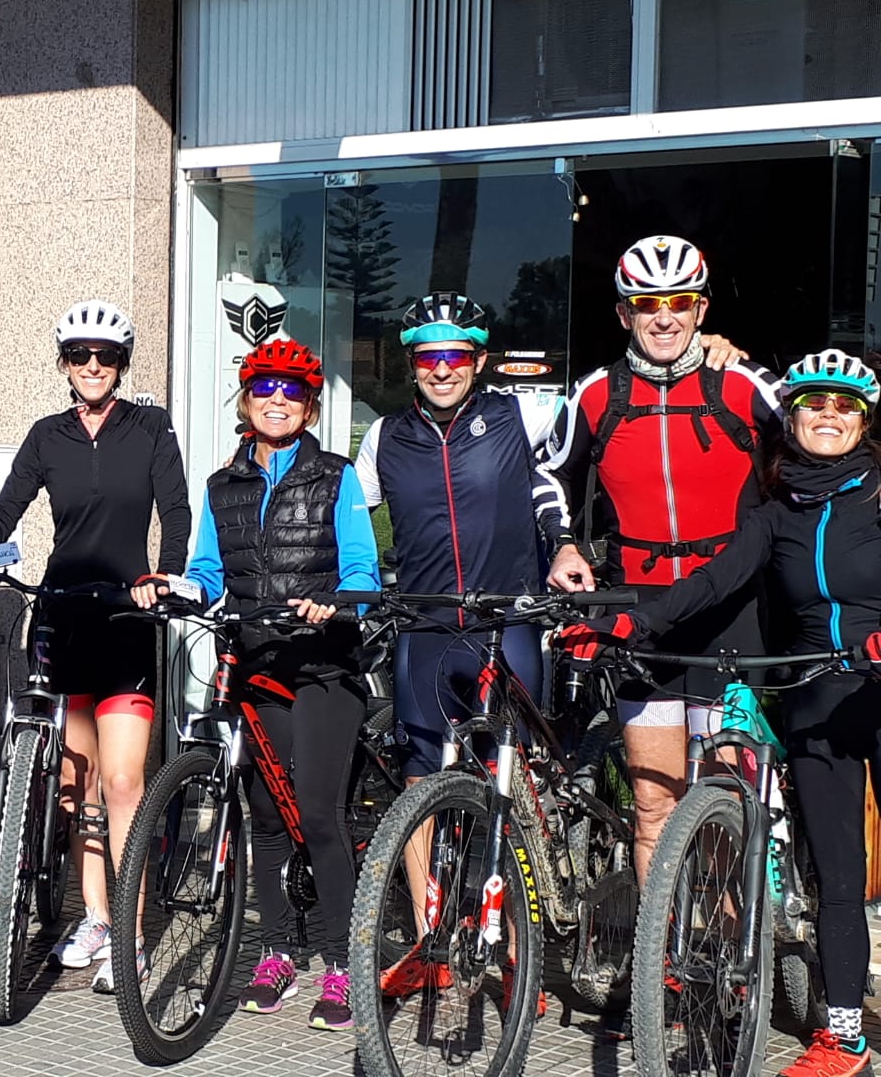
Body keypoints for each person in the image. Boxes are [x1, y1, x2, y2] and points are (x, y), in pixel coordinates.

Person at [558, 349, 881, 1077]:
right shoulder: (773, 514)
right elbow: (711, 582)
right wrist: (628, 624)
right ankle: (842, 1036)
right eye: (813, 405)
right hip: (813, 698)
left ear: (862, 421)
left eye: (843, 407)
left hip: (879, 681)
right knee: (837, 877)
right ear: (790, 418)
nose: (826, 416)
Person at [0, 300, 191, 994]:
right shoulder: (48, 436)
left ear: (122, 364)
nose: (92, 367)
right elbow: (4, 508)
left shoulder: (150, 427)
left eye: (104, 357)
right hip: (66, 616)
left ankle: (131, 937)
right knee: (75, 790)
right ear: (63, 364)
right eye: (79, 355)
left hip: (127, 620)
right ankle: (97, 917)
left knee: (125, 782)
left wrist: (162, 575)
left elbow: (176, 509)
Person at [537, 236, 779, 889]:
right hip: (639, 615)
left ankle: (734, 970)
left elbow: (818, 449)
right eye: (646, 303)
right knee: (653, 806)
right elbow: (548, 473)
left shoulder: (743, 384)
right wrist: (560, 540)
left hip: (729, 610)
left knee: (729, 800)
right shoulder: (595, 393)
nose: (663, 316)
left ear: (699, 309)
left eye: (678, 301)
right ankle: (662, 972)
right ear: (623, 315)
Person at [353, 292, 561, 1013]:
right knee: (419, 782)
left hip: (506, 622)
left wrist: (563, 546)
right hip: (426, 626)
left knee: (512, 780)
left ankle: (508, 948)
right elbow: (350, 523)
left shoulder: (519, 415)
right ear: (411, 364)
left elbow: (577, 453)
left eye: (455, 357)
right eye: (427, 358)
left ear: (478, 360)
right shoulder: (383, 436)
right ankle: (428, 940)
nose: (441, 370)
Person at [182, 338, 379, 1031]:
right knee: (265, 817)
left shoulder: (337, 475)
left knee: (320, 814)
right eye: (264, 387)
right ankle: (274, 952)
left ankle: (339, 964)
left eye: (291, 391)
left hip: (323, 664)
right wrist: (180, 588)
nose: (276, 400)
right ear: (245, 398)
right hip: (258, 665)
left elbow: (363, 569)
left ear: (310, 405)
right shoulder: (220, 485)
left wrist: (340, 600)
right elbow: (206, 568)